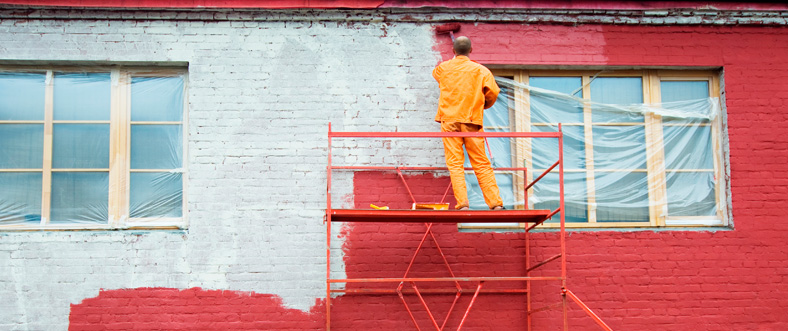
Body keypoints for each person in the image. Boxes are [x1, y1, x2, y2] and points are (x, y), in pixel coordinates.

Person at [432, 36, 504, 211]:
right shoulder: (481, 71)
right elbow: (493, 92)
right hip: (472, 120)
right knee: (480, 162)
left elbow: (437, 75)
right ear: (471, 50)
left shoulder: (443, 68)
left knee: (455, 163)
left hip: (449, 121)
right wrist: (483, 105)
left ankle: (463, 203)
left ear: (453, 51)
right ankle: (495, 204)